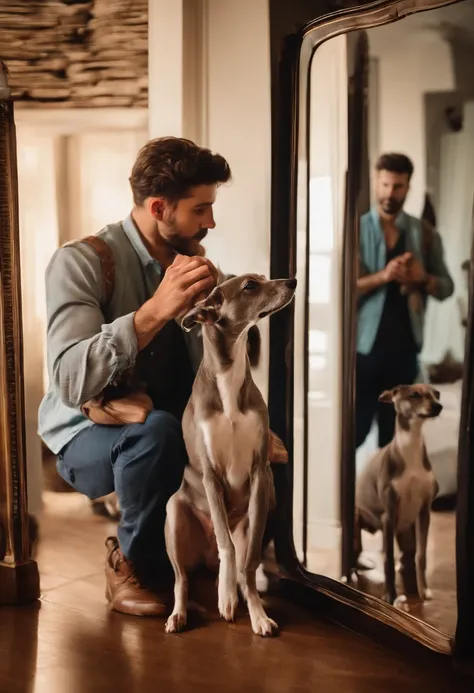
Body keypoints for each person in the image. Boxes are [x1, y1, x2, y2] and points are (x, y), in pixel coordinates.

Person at [38, 136, 232, 616]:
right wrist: (152, 313)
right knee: (155, 432)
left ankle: (215, 559)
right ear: (159, 206)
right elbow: (69, 380)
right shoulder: (81, 262)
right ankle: (131, 565)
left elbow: (223, 362)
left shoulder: (197, 267)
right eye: (201, 209)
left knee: (262, 438)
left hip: (169, 423)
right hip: (86, 439)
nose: (211, 222)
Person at [356, 153, 454, 450]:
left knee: (396, 439)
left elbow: (447, 287)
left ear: (408, 187)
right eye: (385, 184)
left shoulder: (425, 234)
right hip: (362, 351)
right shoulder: (355, 230)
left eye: (397, 186)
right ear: (376, 182)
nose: (389, 193)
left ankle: (388, 497)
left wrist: (422, 278)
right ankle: (349, 497)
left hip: (405, 351)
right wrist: (384, 276)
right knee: (353, 433)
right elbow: (342, 290)